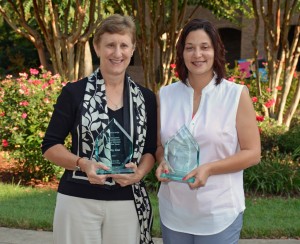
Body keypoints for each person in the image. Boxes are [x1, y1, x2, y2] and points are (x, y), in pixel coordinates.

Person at [42, 14, 156, 244]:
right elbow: (50, 146)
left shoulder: (146, 98)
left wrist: (139, 174)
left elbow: (150, 151)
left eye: (124, 45)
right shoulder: (74, 93)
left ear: (132, 49)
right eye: (110, 45)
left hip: (127, 201)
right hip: (78, 200)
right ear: (97, 47)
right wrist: (83, 163)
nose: (117, 53)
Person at [155, 18, 261, 244]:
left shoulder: (235, 94)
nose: (197, 55)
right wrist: (162, 160)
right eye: (190, 48)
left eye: (205, 47)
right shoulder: (165, 95)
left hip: (219, 214)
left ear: (216, 51)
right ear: (181, 53)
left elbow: (252, 153)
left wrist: (209, 169)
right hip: (173, 212)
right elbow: (160, 146)